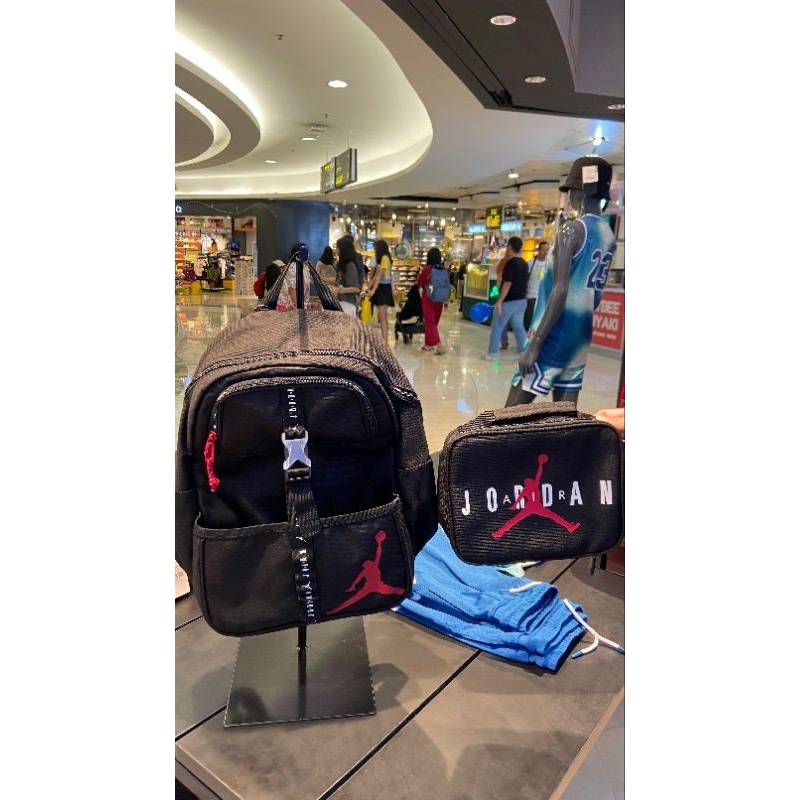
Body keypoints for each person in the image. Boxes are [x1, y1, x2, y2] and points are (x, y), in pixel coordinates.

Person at [506, 155, 617, 406]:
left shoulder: (572, 230)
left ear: (580, 191)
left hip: (552, 335)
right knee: (565, 416)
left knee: (509, 416)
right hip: (580, 336)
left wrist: (535, 344)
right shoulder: (608, 235)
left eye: (570, 191)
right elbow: (594, 295)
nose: (569, 197)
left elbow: (560, 290)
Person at [483, 236, 528, 361]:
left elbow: (507, 284)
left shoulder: (510, 263)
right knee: (519, 327)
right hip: (522, 301)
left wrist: (499, 301)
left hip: (509, 301)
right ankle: (525, 353)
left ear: (510, 247)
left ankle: (492, 354)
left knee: (497, 327)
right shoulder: (525, 263)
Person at [415, 246, 447, 354]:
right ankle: (428, 345)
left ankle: (439, 345)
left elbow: (419, 282)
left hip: (428, 299)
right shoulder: (444, 270)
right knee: (434, 322)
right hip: (440, 299)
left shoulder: (427, 269)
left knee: (429, 322)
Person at [367, 239, 396, 341]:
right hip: (382, 288)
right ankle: (384, 340)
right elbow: (376, 275)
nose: (375, 250)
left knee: (383, 317)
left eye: (375, 248)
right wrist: (369, 286)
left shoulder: (384, 258)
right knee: (381, 315)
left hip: (384, 289)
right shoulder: (382, 259)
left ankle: (385, 341)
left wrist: (373, 290)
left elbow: (379, 275)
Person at [523, 240, 550, 331]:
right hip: (531, 297)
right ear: (538, 250)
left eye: (547, 250)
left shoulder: (550, 265)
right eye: (543, 250)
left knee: (540, 324)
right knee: (529, 323)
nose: (545, 252)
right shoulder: (530, 264)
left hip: (544, 298)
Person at [334, 236, 362, 317]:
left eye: (337, 247)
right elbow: (339, 280)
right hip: (342, 302)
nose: (336, 250)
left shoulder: (350, 265)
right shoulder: (343, 265)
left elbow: (356, 288)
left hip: (347, 304)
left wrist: (339, 290)